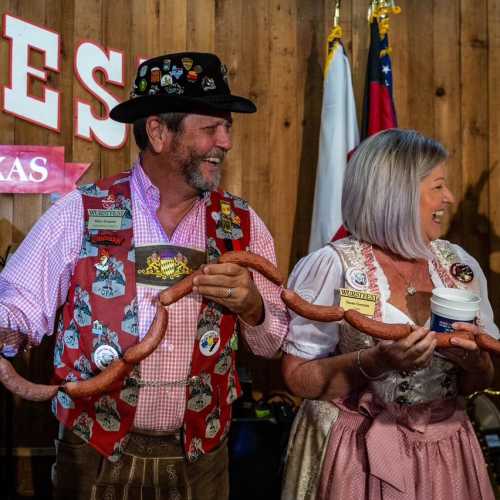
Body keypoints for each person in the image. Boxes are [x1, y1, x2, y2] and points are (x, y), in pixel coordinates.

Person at [0, 52, 288, 499]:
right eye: (211, 127)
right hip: (92, 454)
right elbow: (18, 307)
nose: (226, 141)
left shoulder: (243, 225)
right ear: (158, 131)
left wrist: (252, 307)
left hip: (202, 459)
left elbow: (274, 343)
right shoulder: (80, 212)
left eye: (227, 127)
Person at [281, 129, 497, 500]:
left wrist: (476, 365)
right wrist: (375, 361)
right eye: (438, 186)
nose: (450, 198)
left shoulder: (460, 267)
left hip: (447, 455)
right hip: (354, 454)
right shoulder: (333, 267)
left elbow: (483, 378)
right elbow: (298, 379)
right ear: (396, 196)